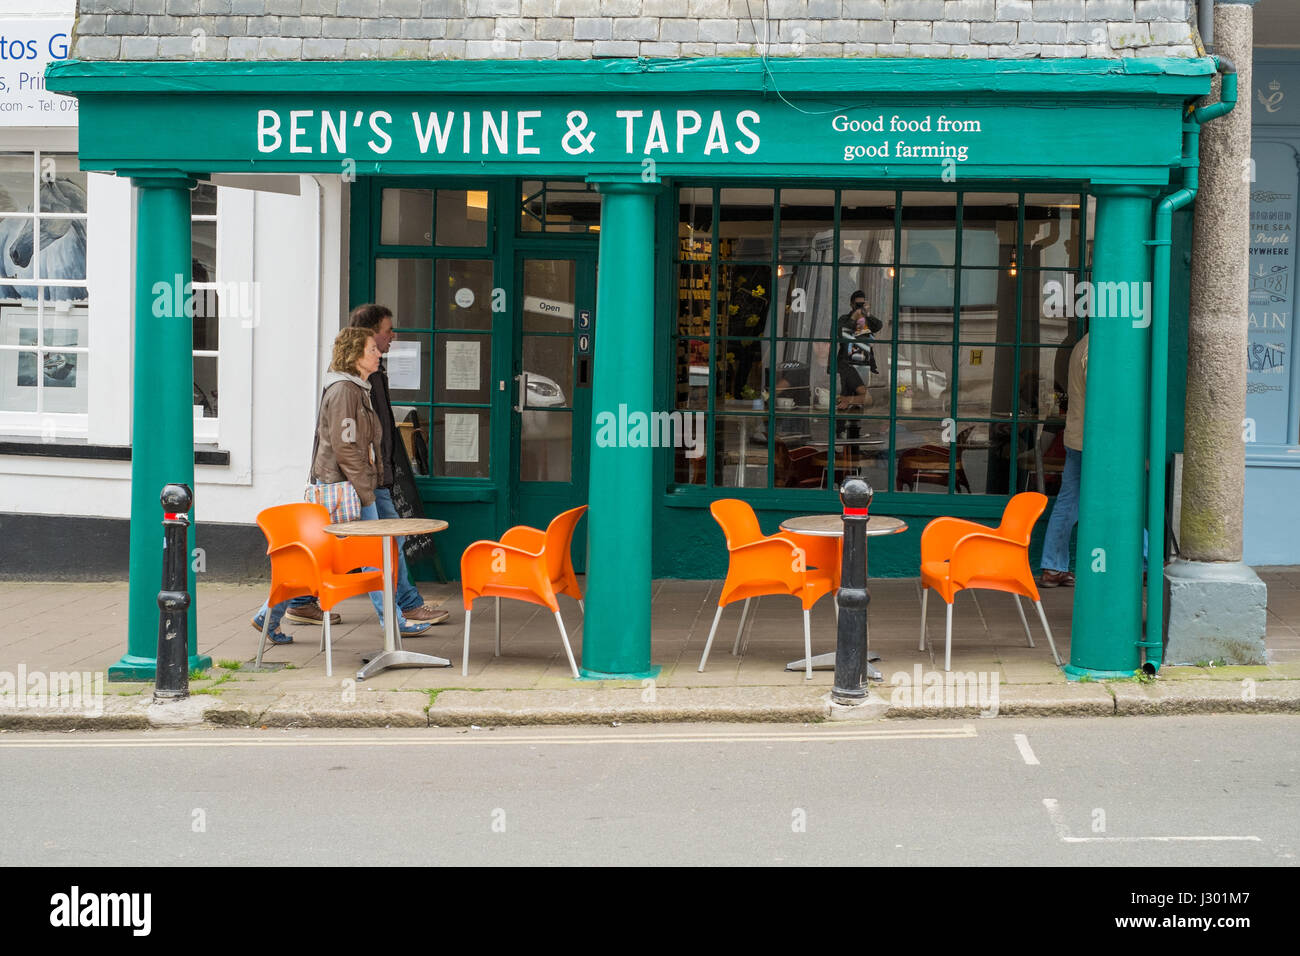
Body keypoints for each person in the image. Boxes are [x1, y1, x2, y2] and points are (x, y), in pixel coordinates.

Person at [252, 327, 434, 643]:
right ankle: (393, 622)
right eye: (372, 350)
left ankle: (267, 615)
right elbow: (346, 447)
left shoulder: (355, 388)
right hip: (346, 487)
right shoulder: (344, 392)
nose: (379, 353)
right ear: (355, 355)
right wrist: (368, 493)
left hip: (352, 483)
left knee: (323, 555)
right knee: (373, 554)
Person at [348, 303, 448, 625]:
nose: (394, 335)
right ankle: (402, 611)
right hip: (367, 480)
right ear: (370, 334)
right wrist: (370, 479)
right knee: (381, 545)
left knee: (387, 541)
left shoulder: (372, 372)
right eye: (388, 330)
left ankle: (299, 600)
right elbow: (349, 440)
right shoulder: (354, 381)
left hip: (378, 476)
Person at [1040, 333, 1087, 587]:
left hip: (1077, 437)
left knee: (1068, 502)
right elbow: (1103, 395)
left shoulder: (1082, 345)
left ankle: (1053, 566)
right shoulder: (1098, 348)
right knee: (1124, 497)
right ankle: (1146, 560)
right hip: (1097, 441)